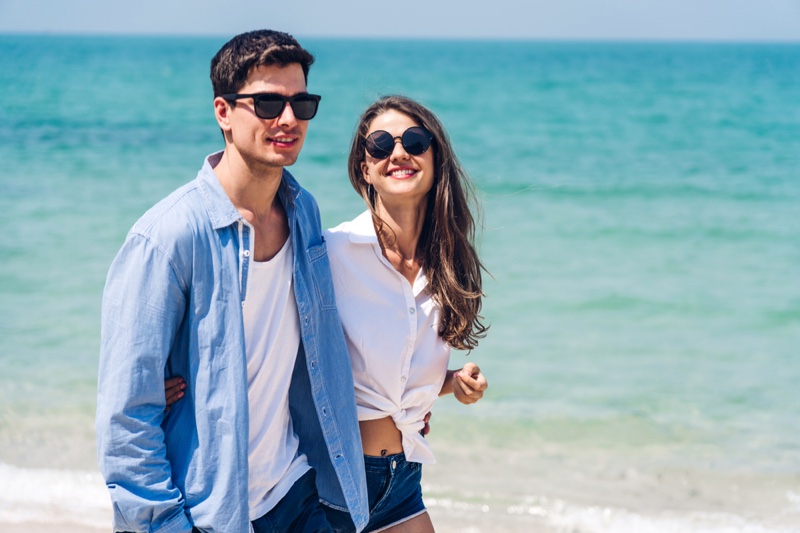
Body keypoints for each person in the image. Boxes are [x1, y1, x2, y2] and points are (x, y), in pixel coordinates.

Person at [167, 95, 490, 532]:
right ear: (365, 168)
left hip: (404, 477)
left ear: (436, 158)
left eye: (415, 140)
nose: (399, 153)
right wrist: (174, 377)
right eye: (380, 145)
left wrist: (453, 384)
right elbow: (255, 322)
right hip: (334, 481)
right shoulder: (332, 252)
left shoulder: (447, 266)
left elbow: (382, 375)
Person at [96, 29, 368, 533]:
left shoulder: (303, 210)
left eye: (300, 103)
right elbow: (126, 418)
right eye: (267, 103)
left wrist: (413, 395)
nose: (288, 120)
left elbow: (319, 347)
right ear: (223, 112)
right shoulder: (167, 237)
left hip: (298, 493)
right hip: (209, 514)